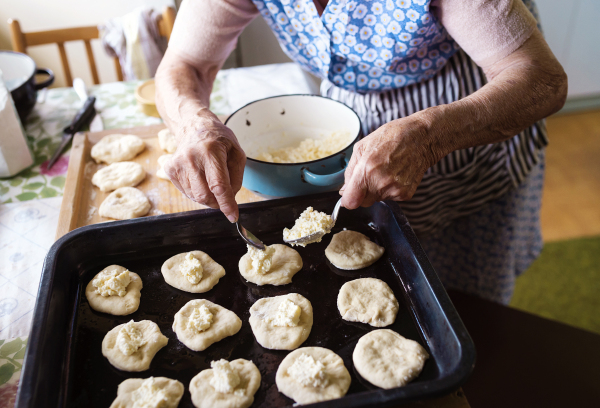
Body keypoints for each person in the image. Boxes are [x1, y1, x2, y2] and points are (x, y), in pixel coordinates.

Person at [155, 0, 567, 304]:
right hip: (353, 129)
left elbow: (540, 80)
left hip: (467, 128)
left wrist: (427, 136)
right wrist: (193, 123)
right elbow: (185, 65)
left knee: (467, 303)